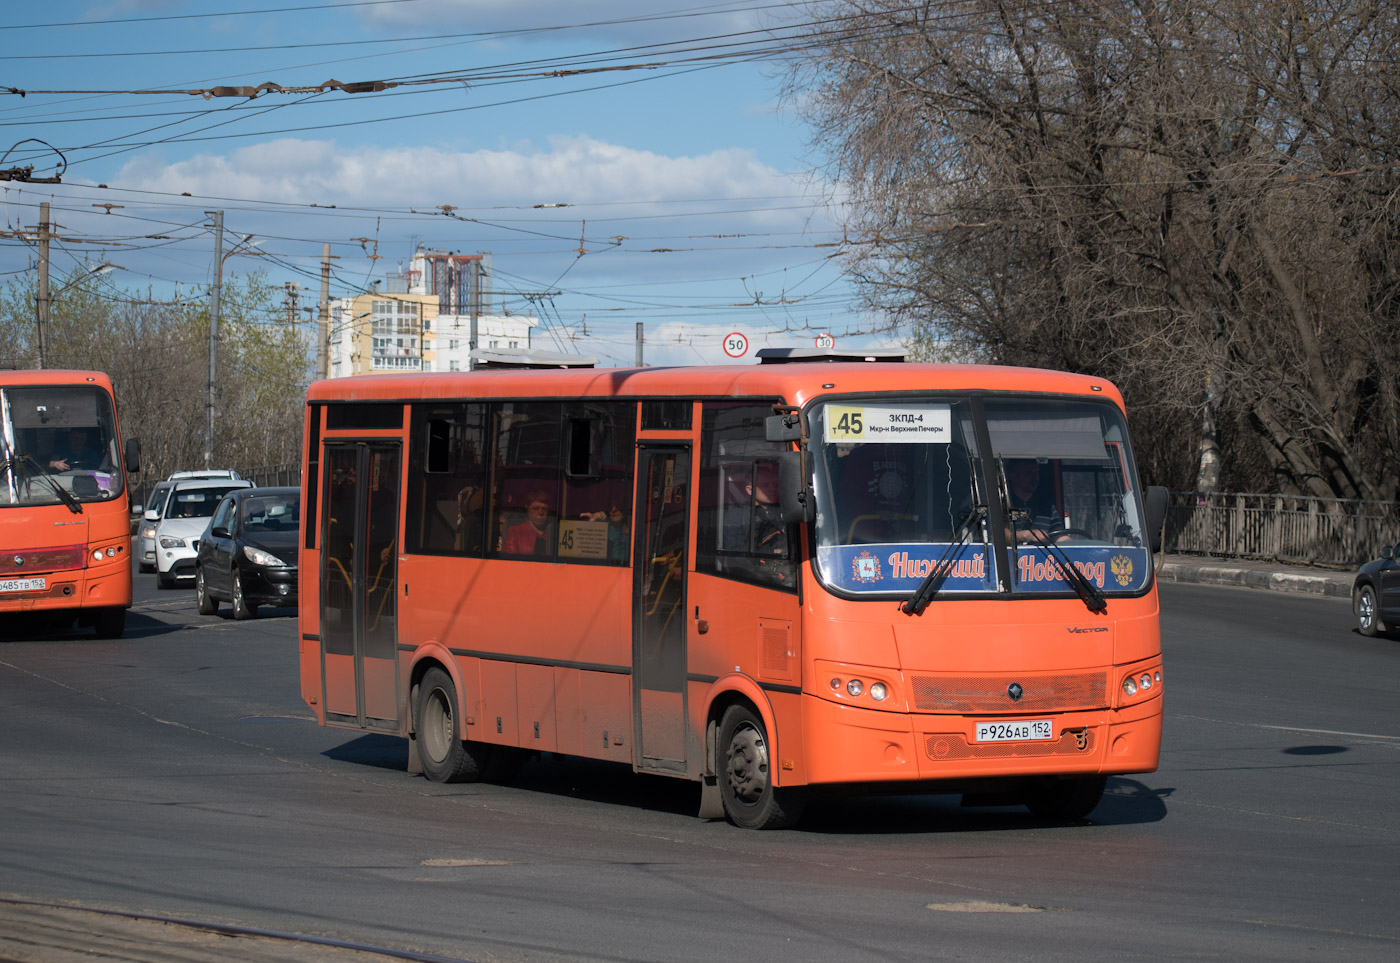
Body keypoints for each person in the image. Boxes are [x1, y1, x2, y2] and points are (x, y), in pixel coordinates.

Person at [504, 489, 554, 555]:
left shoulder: (554, 532)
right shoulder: (515, 532)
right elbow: (511, 561)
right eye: (535, 509)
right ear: (527, 508)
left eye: (544, 509)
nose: (540, 513)